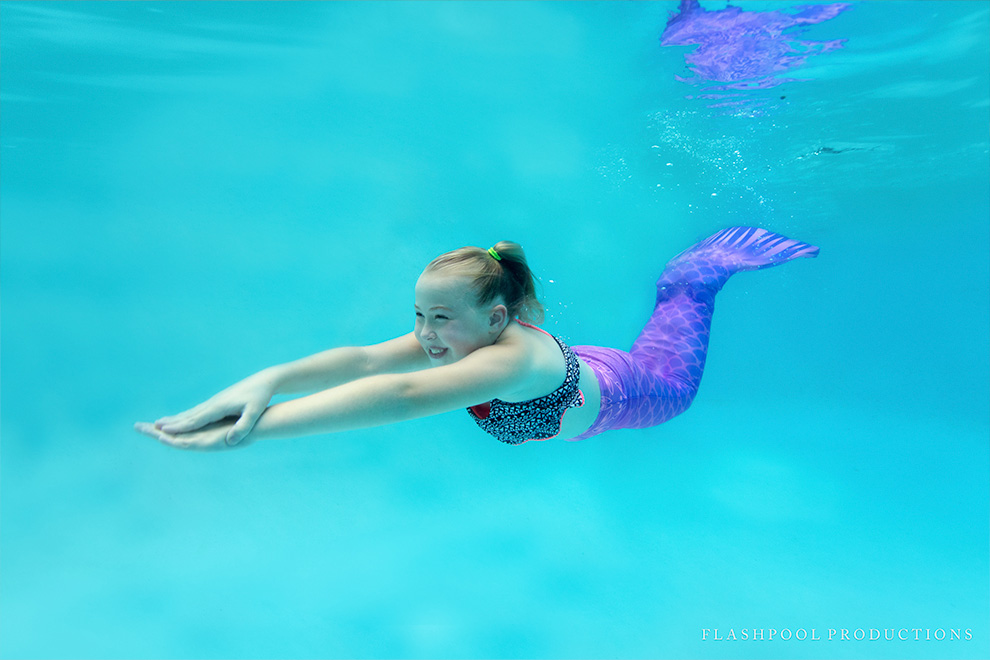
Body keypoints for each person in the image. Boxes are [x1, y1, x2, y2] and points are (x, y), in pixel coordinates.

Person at [135, 226, 818, 451]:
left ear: (497, 319)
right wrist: (264, 383)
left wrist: (257, 429)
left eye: (441, 318)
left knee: (677, 374)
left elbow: (401, 395)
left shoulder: (506, 359)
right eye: (419, 316)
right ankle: (687, 281)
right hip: (582, 368)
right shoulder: (460, 340)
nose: (426, 335)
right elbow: (368, 359)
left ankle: (692, 277)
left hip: (636, 392)